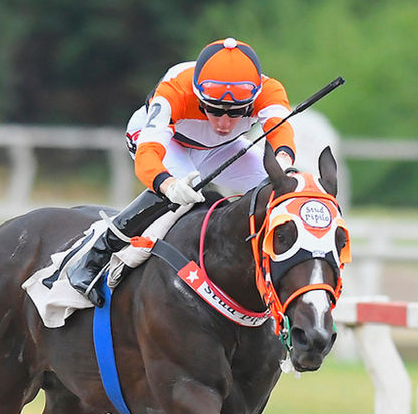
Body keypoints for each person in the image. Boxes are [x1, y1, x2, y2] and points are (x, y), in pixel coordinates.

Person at [66, 37, 297, 306]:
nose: (223, 123)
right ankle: (96, 254)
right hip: (167, 142)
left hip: (221, 148)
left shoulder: (270, 91)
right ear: (198, 96)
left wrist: (283, 165)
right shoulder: (175, 89)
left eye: (236, 112)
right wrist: (167, 185)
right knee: (190, 192)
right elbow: (148, 154)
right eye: (213, 110)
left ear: (253, 99)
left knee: (284, 192)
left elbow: (281, 134)